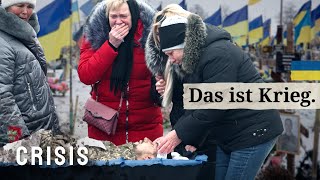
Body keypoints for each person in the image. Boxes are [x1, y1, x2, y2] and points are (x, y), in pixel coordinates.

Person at [145, 4, 284, 180]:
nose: (170, 60)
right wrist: (193, 139)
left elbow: (214, 104)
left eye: (171, 53)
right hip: (229, 132)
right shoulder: (193, 58)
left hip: (253, 130)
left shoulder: (218, 54)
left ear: (183, 44)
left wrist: (178, 135)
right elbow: (195, 104)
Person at [78, 0, 163, 145]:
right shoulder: (96, 34)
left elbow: (168, 73)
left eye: (123, 16)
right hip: (104, 128)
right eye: (113, 16)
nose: (118, 22)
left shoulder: (152, 37)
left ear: (134, 15)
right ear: (107, 17)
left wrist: (163, 86)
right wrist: (110, 45)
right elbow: (86, 75)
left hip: (146, 128)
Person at [0, 0, 59, 147]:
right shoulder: (3, 42)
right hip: (24, 139)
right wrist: (19, 141)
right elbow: (2, 99)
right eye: (19, 5)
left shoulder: (24, 36)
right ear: (5, 7)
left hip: (40, 134)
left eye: (30, 6)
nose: (25, 11)